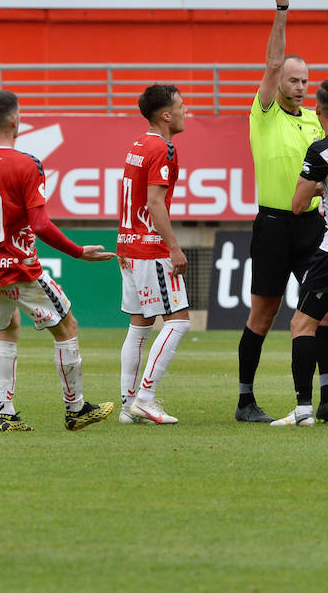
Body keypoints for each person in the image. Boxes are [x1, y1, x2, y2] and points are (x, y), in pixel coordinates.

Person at [0, 89, 116, 433]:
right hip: (18, 265)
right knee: (67, 326)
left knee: (6, 327)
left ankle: (6, 415)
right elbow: (39, 225)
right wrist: (77, 252)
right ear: (14, 119)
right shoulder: (26, 164)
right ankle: (76, 408)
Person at [236, 0, 326, 423]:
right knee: (264, 313)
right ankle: (245, 399)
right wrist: (281, 9)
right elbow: (272, 61)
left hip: (312, 225)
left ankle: (323, 398)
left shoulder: (315, 120)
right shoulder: (265, 112)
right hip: (272, 224)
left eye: (304, 81)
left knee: (323, 310)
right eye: (293, 79)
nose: (299, 86)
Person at [270, 79, 328, 427]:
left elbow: (297, 205)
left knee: (301, 323)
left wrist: (320, 187)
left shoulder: (321, 150)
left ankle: (303, 410)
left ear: (318, 110)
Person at [117, 84, 193, 425]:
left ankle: (127, 405)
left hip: (128, 244)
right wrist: (174, 248)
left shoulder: (138, 143)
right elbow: (154, 202)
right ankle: (145, 397)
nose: (184, 110)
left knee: (140, 325)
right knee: (178, 321)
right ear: (166, 115)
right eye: (180, 106)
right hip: (150, 247)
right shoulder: (163, 149)